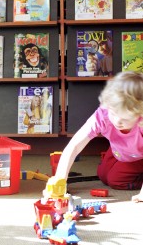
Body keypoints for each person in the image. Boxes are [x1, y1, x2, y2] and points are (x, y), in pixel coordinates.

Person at [49, 71, 143, 203]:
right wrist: (59, 182)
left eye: (125, 118)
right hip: (119, 150)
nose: (117, 121)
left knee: (115, 180)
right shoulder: (103, 115)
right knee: (103, 175)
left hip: (139, 156)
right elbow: (74, 146)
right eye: (114, 114)